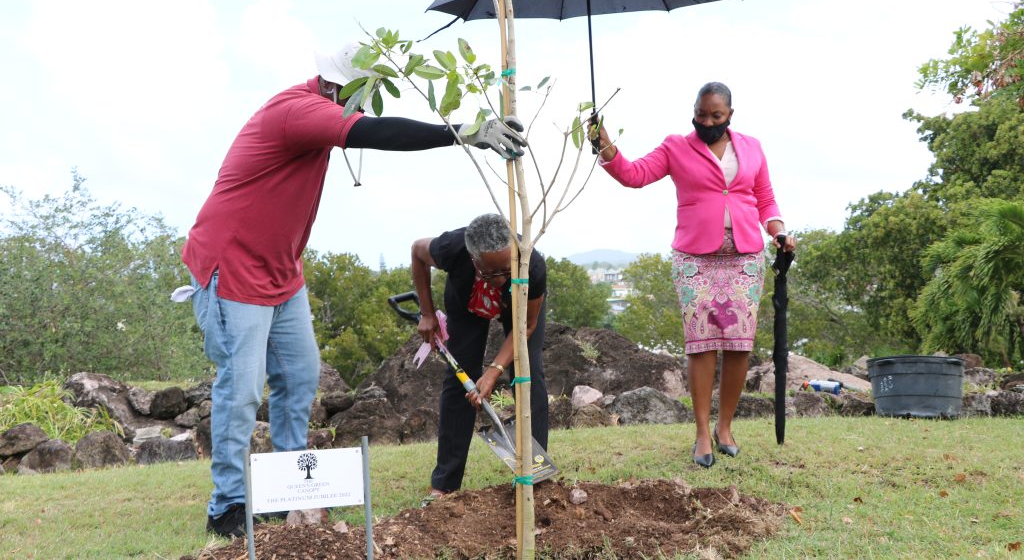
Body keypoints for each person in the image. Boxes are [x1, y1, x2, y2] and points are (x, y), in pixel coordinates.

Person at [182, 43, 527, 538]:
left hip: (283, 273)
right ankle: (228, 506)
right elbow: (378, 132)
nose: (367, 103)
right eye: (363, 92)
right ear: (337, 85)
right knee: (241, 392)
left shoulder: (321, 106)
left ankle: (286, 494)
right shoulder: (299, 111)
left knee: (299, 380)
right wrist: (464, 134)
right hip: (233, 270)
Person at [593, 81, 796, 468]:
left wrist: (778, 231)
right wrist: (604, 146)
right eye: (701, 115)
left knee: (739, 344)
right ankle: (702, 432)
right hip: (694, 259)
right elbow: (633, 175)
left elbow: (765, 198)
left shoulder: (751, 147)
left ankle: (725, 427)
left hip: (745, 257)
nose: (707, 122)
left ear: (730, 115)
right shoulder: (676, 146)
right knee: (701, 344)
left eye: (716, 116)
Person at [410, 213, 548, 503]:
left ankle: (533, 475)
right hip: (468, 305)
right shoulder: (453, 248)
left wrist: (495, 370)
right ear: (474, 260)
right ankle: (445, 485)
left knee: (529, 375)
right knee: (460, 381)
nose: (499, 280)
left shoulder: (530, 265)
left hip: (519, 311)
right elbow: (417, 251)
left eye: (505, 269)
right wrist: (426, 312)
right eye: (490, 272)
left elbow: (526, 326)